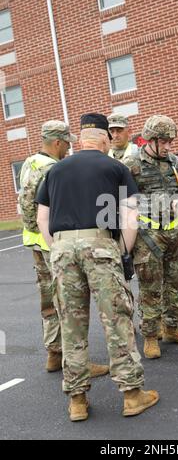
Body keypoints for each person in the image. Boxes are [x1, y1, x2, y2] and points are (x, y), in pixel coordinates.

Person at [36, 113, 159, 421]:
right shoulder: (116, 167)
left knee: (71, 325)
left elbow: (41, 218)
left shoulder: (55, 170)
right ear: (105, 139)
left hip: (63, 249)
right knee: (116, 320)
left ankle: (77, 401)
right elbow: (130, 215)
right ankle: (132, 395)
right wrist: (122, 252)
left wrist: (58, 249)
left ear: (79, 139)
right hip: (101, 245)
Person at [123, 115, 178, 359]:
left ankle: (172, 328)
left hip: (175, 233)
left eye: (170, 142)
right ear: (150, 140)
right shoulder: (131, 164)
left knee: (177, 283)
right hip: (147, 235)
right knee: (150, 287)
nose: (168, 146)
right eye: (163, 141)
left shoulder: (175, 163)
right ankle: (151, 336)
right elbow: (122, 201)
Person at [18, 121, 75, 371]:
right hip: (52, 241)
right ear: (57, 142)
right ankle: (74, 360)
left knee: (48, 300)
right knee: (69, 300)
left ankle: (54, 353)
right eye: (67, 143)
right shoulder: (55, 169)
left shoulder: (29, 163)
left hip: (34, 240)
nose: (69, 148)